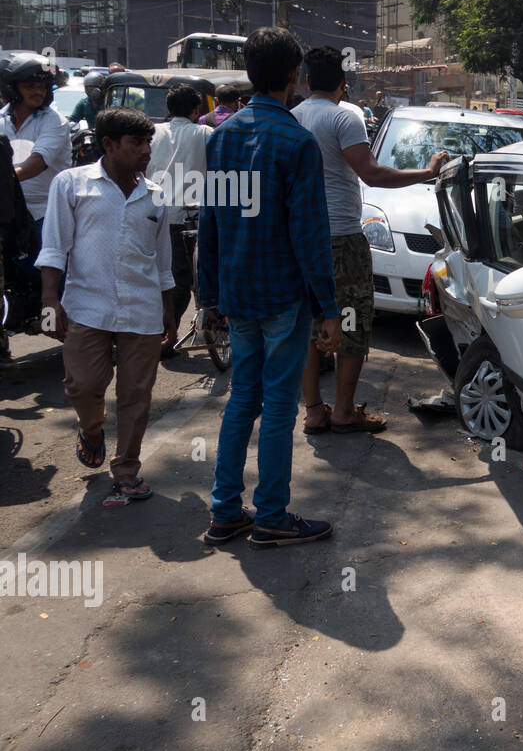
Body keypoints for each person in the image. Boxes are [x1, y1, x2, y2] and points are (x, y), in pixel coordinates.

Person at [198, 27, 342, 548]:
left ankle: (225, 511)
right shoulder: (296, 143)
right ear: (294, 75)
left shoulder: (222, 137)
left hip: (238, 292)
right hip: (284, 295)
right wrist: (329, 307)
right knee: (279, 407)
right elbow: (309, 234)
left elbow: (210, 222)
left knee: (242, 398)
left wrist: (208, 293)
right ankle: (273, 516)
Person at [291, 46, 448, 436]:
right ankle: (343, 411)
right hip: (343, 237)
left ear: (307, 80)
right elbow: (372, 174)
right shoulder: (346, 115)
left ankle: (313, 411)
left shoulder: (292, 117)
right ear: (343, 83)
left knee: (310, 325)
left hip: (302, 239)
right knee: (353, 320)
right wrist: (426, 172)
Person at [36, 107, 176, 503]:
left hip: (143, 308)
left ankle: (127, 469)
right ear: (109, 145)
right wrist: (50, 301)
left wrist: (169, 310)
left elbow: (162, 262)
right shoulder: (72, 184)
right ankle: (92, 429)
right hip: (85, 306)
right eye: (137, 143)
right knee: (82, 385)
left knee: (136, 394)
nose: (147, 150)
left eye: (149, 142)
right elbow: (54, 248)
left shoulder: (156, 195)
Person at [147, 84, 213, 333]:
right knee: (181, 280)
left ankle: (161, 332)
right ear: (196, 110)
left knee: (162, 276)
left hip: (153, 214)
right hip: (189, 218)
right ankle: (166, 334)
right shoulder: (205, 133)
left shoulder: (152, 132)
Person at [0, 53, 73, 227]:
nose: (38, 92)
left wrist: (5, 179)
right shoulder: (1, 119)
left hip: (45, 213)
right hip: (6, 210)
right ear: (12, 88)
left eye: (42, 87)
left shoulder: (55, 122)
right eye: (30, 86)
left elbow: (38, 162)